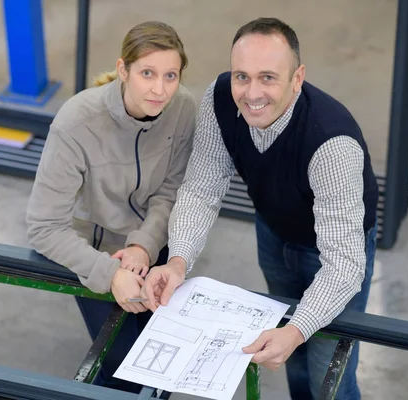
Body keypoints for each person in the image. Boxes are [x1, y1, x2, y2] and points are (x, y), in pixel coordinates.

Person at [141, 17, 379, 400]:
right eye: (242, 76)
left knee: (326, 375)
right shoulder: (220, 98)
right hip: (273, 235)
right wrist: (178, 260)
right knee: (292, 360)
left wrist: (297, 329)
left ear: (297, 78)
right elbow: (202, 187)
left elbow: (345, 266)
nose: (252, 93)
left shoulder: (331, 143)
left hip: (335, 254)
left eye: (268, 77)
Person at [25, 21, 196, 395]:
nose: (160, 89)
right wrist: (109, 272)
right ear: (123, 70)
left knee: (160, 363)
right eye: (147, 73)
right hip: (95, 254)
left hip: (155, 241)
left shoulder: (183, 108)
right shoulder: (76, 123)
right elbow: (42, 226)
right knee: (121, 371)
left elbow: (172, 190)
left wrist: (144, 245)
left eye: (171, 75)